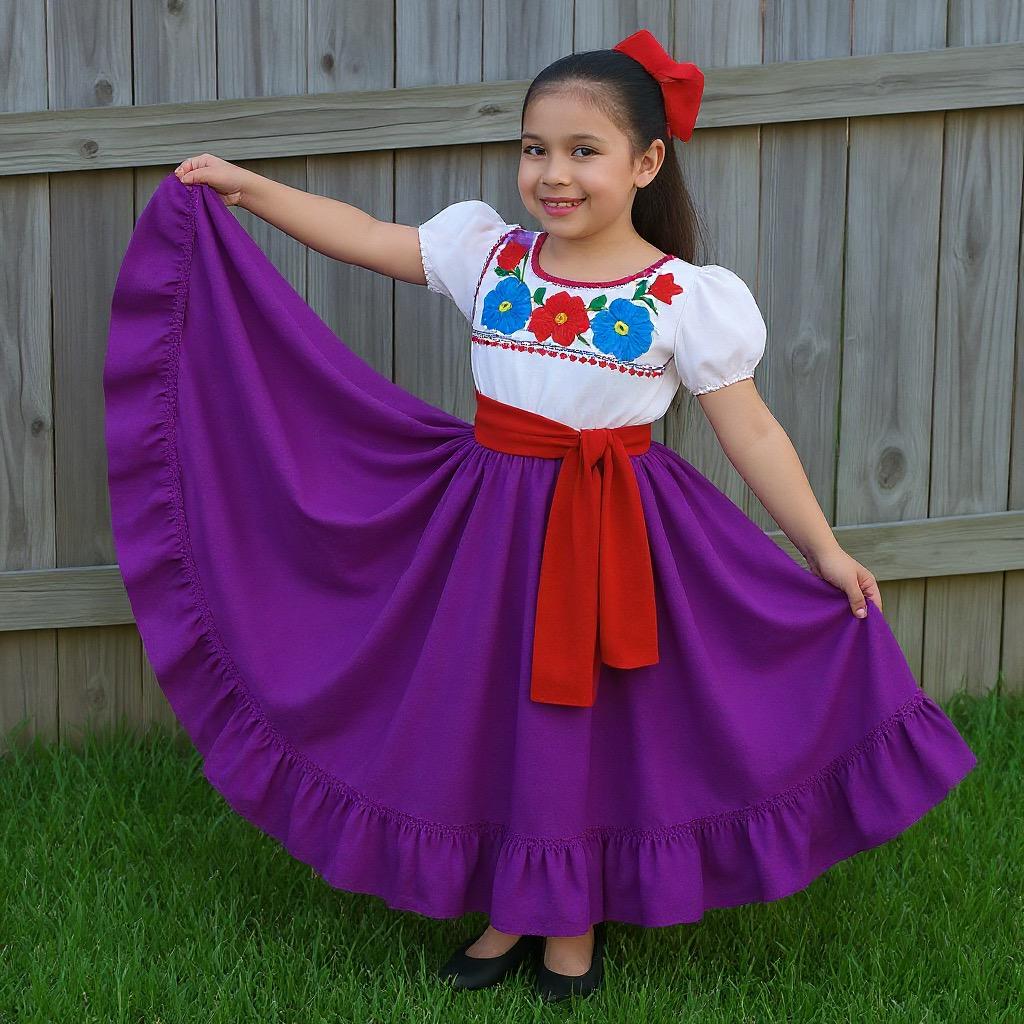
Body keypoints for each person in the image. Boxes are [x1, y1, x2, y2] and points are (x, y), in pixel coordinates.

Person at [105, 29, 977, 1004]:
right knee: (495, 713)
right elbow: (366, 233)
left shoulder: (681, 298)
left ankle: (571, 916)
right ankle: (513, 900)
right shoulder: (492, 257)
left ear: (646, 163)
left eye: (582, 151)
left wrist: (822, 548)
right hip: (486, 531)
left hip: (617, 541)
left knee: (586, 723)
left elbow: (757, 434)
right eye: (534, 148)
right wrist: (247, 190)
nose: (552, 174)